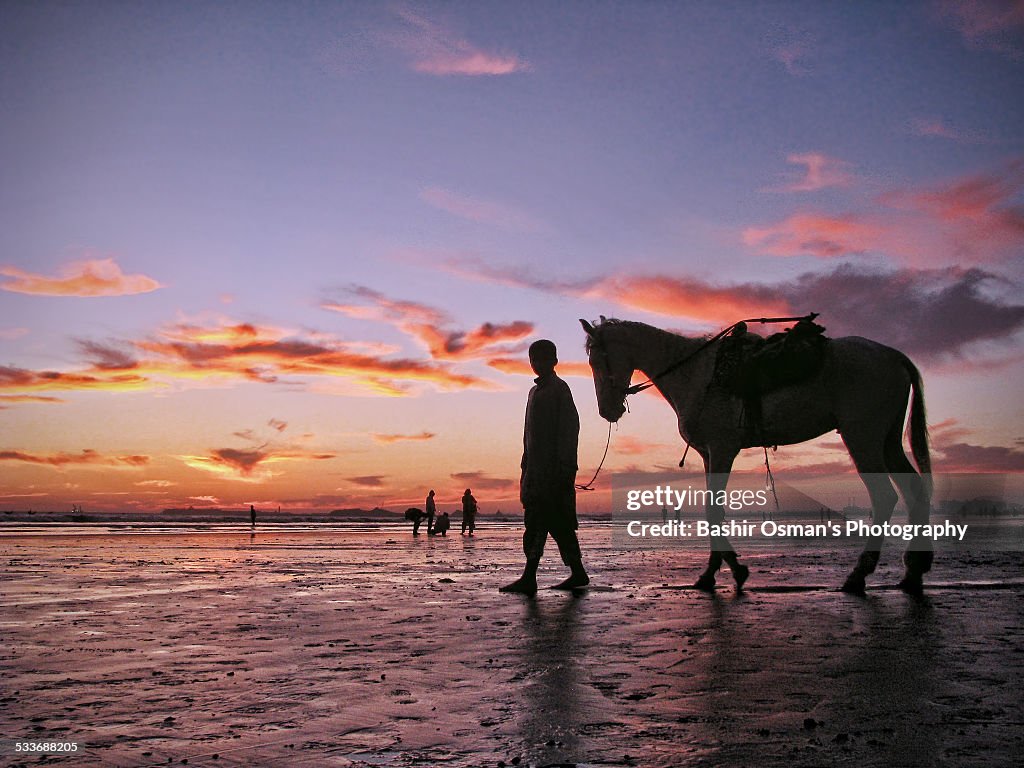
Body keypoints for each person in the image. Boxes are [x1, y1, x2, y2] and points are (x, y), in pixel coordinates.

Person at [500, 339, 589, 595]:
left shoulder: (560, 390)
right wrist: (525, 466)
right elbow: (529, 436)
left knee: (545, 522)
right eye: (533, 359)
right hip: (535, 471)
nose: (537, 364)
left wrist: (566, 468)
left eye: (542, 359)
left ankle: (530, 577)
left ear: (554, 361)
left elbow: (570, 430)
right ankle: (577, 572)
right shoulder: (534, 392)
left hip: (555, 472)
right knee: (550, 523)